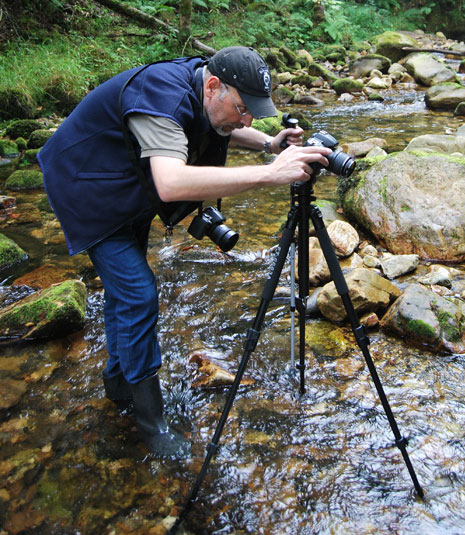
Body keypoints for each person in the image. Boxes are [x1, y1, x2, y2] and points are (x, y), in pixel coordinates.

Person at [38, 46, 330, 455]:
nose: (246, 119)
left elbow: (223, 125)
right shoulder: (161, 97)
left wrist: (269, 143)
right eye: (243, 108)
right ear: (214, 87)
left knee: (125, 293)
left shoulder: (203, 89)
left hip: (126, 182)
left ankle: (118, 382)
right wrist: (270, 174)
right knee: (139, 294)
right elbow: (172, 184)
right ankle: (150, 423)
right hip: (87, 187)